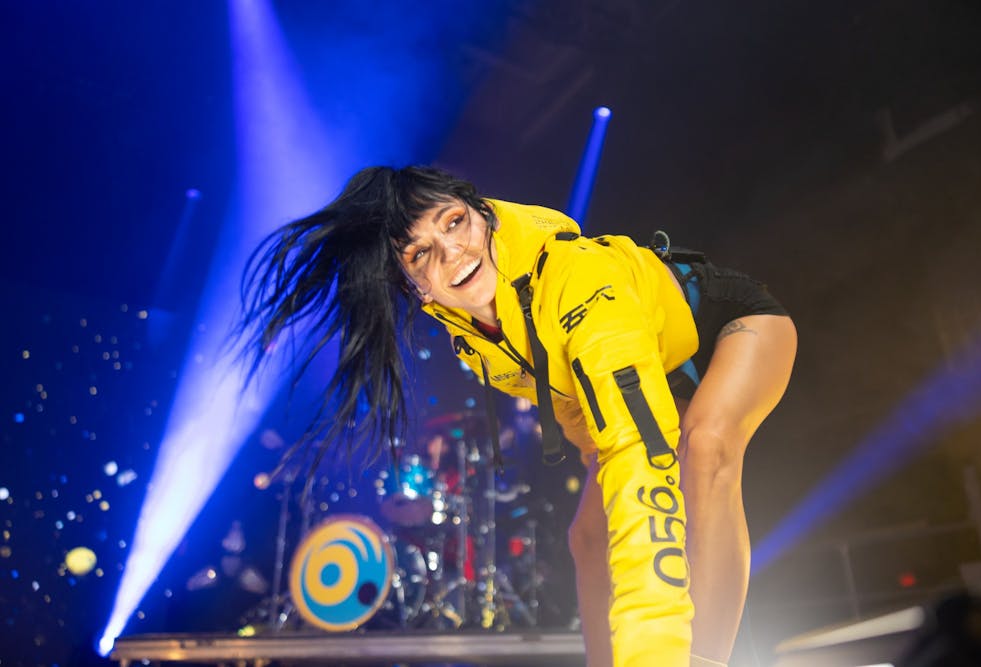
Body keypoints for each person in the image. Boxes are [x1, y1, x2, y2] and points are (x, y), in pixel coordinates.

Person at [238, 166, 797, 666]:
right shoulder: (473, 342)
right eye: (419, 254)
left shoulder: (579, 282)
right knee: (587, 537)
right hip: (656, 374)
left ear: (483, 215)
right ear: (416, 289)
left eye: (454, 223)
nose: (451, 253)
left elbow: (637, 460)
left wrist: (654, 653)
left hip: (728, 327)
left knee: (705, 447)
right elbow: (579, 412)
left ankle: (698, 662)